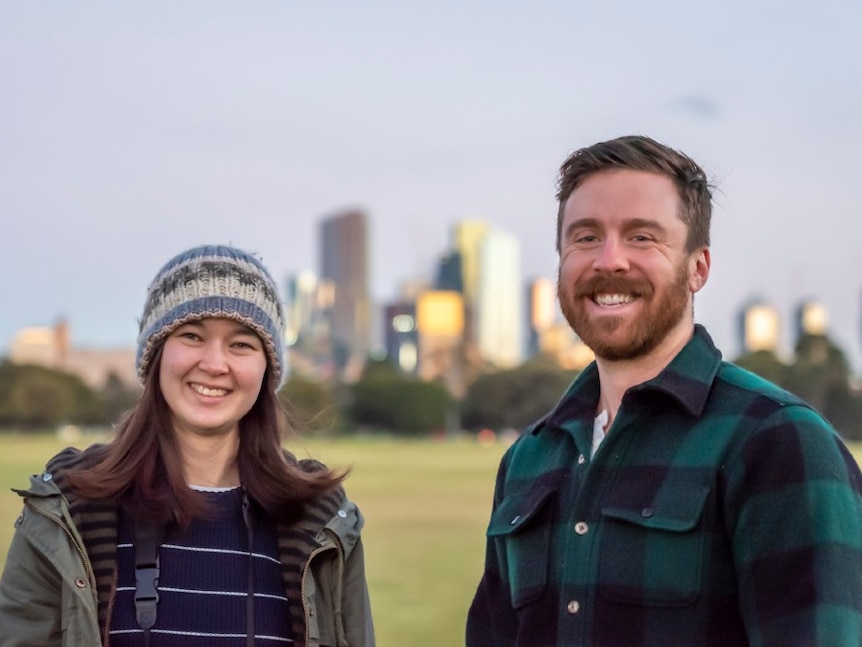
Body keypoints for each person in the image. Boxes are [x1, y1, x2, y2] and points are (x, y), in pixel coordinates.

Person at [466, 135, 862, 646]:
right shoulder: (529, 459)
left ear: (698, 267)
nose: (609, 261)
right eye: (585, 238)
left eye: (641, 237)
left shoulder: (779, 441)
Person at [0, 244, 375, 647]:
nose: (214, 364)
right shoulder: (71, 507)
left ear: (267, 368)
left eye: (241, 344)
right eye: (192, 335)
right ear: (155, 355)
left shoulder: (318, 518)